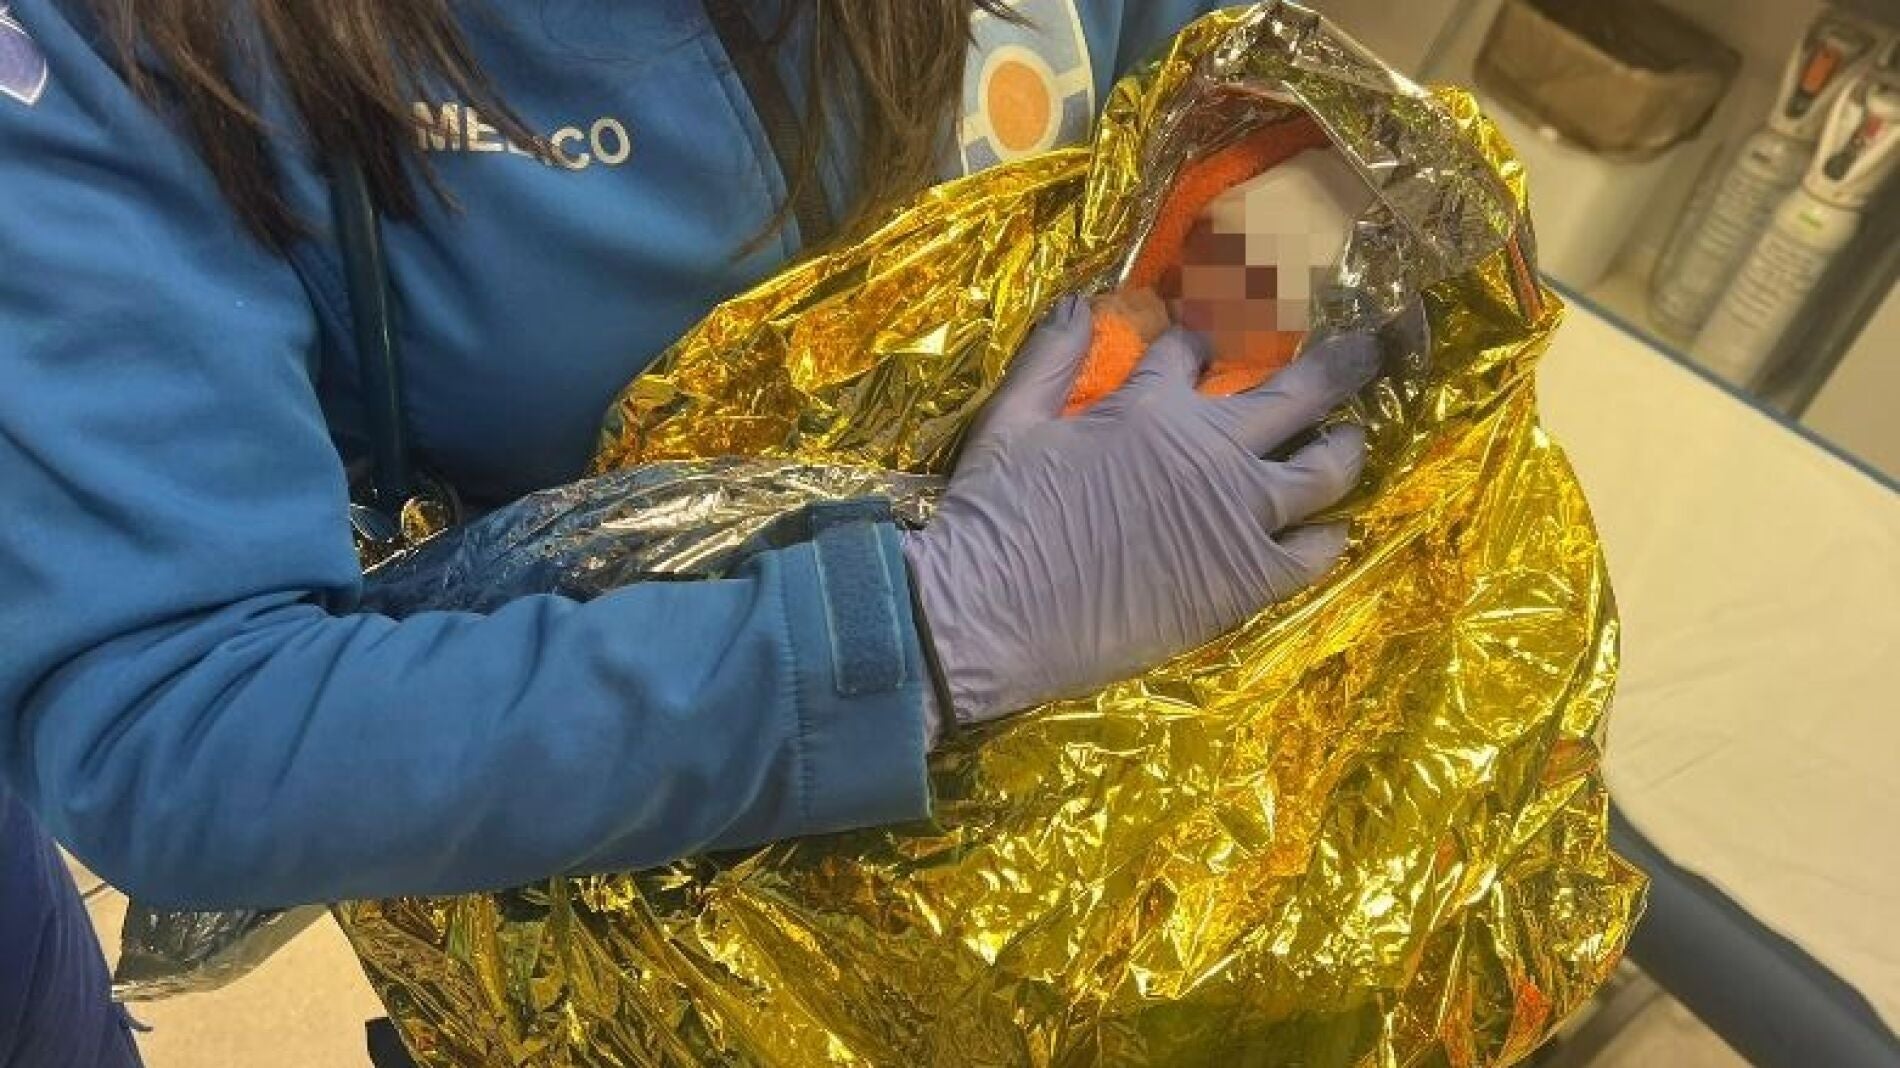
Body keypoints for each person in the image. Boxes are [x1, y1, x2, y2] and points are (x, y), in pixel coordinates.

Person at [0, 1, 1376, 1061]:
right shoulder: (120, 55)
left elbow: (1209, 105)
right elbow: (172, 719)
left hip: (1175, 848)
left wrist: (1290, 276)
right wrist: (922, 631)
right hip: (660, 942)